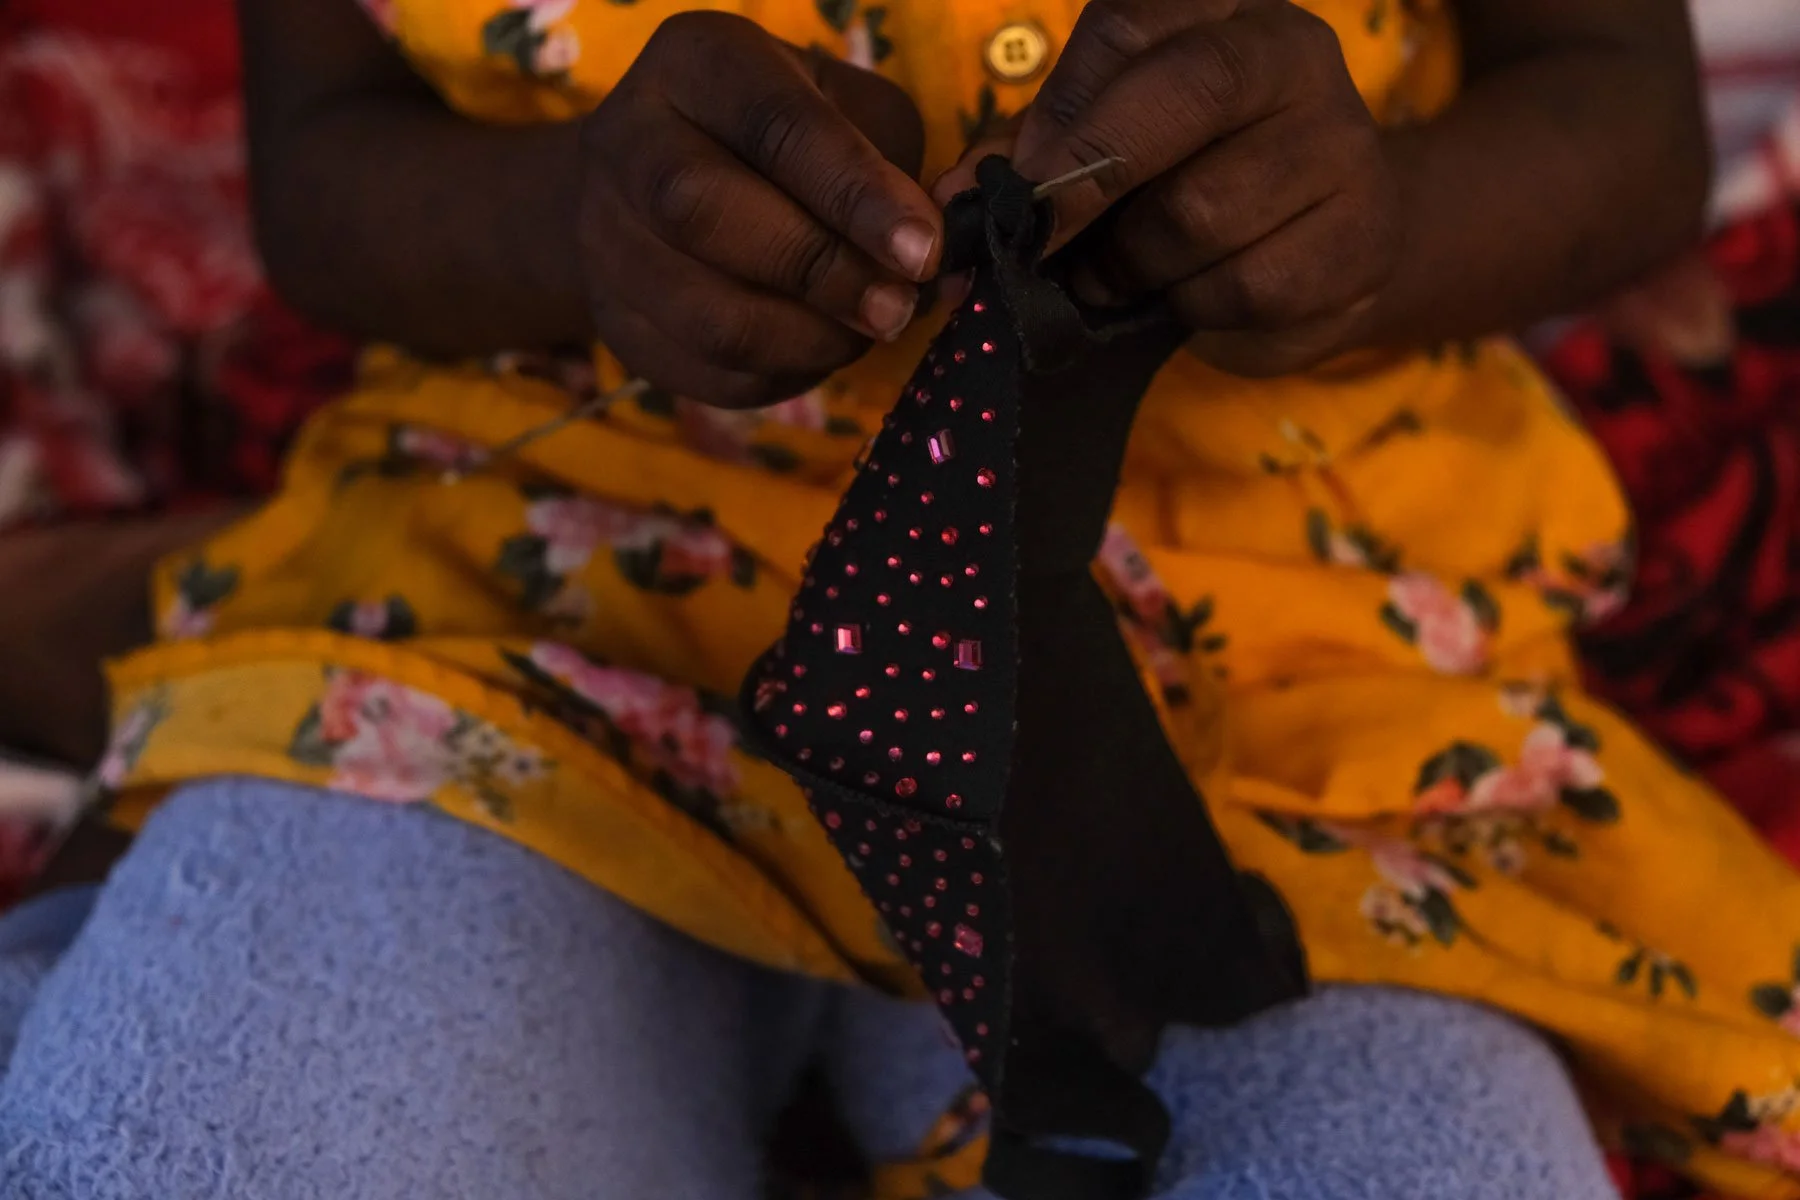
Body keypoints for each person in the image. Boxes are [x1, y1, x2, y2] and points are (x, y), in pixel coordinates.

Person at [0, 1, 1790, 1197]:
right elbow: (326, 167)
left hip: (1291, 694)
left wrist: (1378, 225)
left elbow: (1617, 111)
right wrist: (583, 224)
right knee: (189, 1148)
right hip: (541, 601)